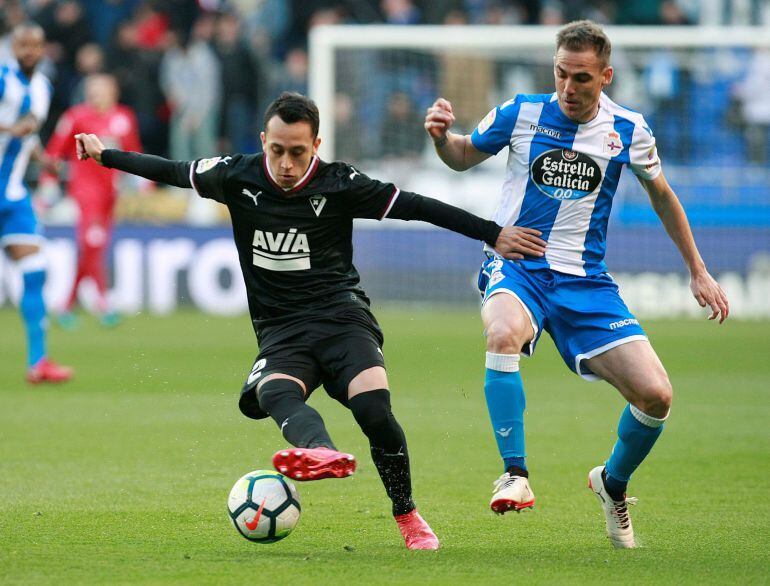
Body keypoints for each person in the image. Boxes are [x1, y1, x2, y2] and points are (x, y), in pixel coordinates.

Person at [74, 91, 523, 551]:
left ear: (316, 145)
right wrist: (106, 155)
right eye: (277, 150)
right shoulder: (235, 174)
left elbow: (418, 206)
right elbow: (171, 171)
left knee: (374, 410)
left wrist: (493, 234)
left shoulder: (340, 183)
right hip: (281, 329)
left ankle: (407, 514)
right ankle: (321, 451)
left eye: (297, 152)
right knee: (273, 391)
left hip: (342, 316)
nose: (286, 164)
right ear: (262, 140)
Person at [424, 20, 729, 548]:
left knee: (656, 396)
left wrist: (697, 270)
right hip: (519, 266)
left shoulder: (628, 129)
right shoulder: (520, 112)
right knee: (502, 333)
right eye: (561, 74)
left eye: (582, 77)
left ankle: (612, 484)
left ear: (605, 76)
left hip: (586, 283)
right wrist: (439, 138)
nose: (568, 87)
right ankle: (515, 473)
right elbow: (462, 155)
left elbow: (662, 196)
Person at [0, 23, 72, 384]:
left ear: (43, 49)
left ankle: (38, 362)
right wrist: (10, 129)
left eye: (36, 45)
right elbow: (17, 130)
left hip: (12, 195)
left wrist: (43, 159)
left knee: (35, 270)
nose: (29, 51)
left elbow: (29, 137)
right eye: (23, 45)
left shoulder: (43, 86)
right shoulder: (2, 80)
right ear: (13, 48)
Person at [44, 73, 141, 326]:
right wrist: (48, 183)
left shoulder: (124, 117)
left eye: (101, 89)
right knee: (92, 241)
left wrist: (144, 183)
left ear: (113, 91)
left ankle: (67, 304)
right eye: (92, 89)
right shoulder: (76, 117)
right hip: (85, 190)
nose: (95, 94)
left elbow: (134, 152)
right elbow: (55, 151)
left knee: (94, 247)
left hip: (111, 192)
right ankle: (101, 302)